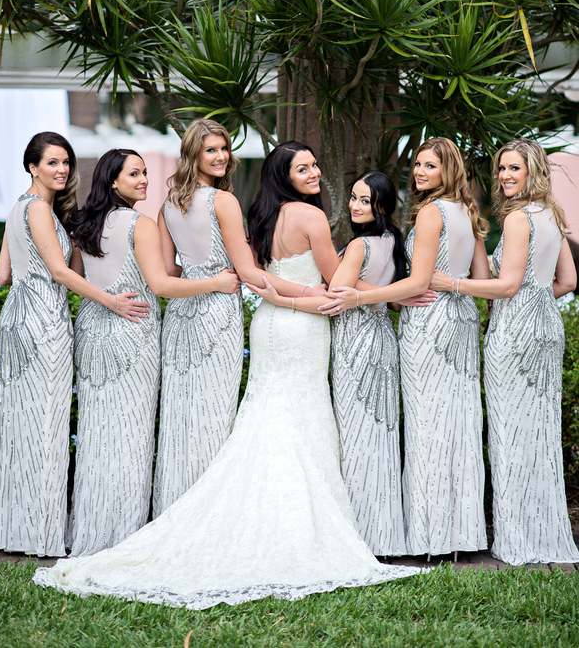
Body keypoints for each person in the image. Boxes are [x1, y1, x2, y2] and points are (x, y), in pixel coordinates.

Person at [33, 141, 421, 607]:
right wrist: (388, 291)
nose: (316, 172)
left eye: (316, 164)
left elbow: (229, 273)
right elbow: (327, 281)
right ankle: (294, 527)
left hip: (258, 324)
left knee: (260, 415)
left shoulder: (228, 211)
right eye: (305, 167)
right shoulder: (300, 216)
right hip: (299, 324)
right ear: (285, 174)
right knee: (299, 416)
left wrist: (279, 296)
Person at [0, 132, 148, 558]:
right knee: (46, 425)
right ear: (32, 166)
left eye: (66, 163)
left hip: (16, 317)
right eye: (52, 162)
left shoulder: (18, 207)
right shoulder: (39, 210)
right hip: (44, 323)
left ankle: (8, 528)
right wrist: (111, 300)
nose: (62, 170)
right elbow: (58, 272)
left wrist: (65, 246)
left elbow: (3, 275)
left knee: (18, 423)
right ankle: (38, 534)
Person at [67, 149, 240, 556]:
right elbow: (161, 286)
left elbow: (75, 277)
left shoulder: (85, 224)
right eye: (134, 174)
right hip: (134, 330)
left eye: (145, 172)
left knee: (97, 431)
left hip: (92, 330)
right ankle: (125, 537)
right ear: (112, 181)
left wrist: (107, 300)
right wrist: (215, 282)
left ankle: (92, 532)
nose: (144, 180)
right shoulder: (139, 224)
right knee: (132, 432)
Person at [323, 138, 489, 559]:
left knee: (428, 427)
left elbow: (419, 283)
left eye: (430, 166)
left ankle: (431, 538)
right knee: (459, 425)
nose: (419, 172)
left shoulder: (432, 212)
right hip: (462, 320)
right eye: (417, 164)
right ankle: (459, 536)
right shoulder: (469, 213)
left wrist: (359, 297)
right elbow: (482, 277)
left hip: (429, 324)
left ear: (448, 171)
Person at [153, 123, 327, 516]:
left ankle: (177, 507)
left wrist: (201, 276)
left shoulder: (167, 205)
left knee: (183, 412)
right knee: (215, 412)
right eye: (210, 150)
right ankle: (208, 513)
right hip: (216, 312)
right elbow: (248, 273)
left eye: (224, 149)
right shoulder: (222, 200)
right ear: (192, 155)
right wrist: (306, 291)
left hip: (181, 314)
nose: (220, 157)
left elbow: (169, 271)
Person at [249, 170, 419, 555]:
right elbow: (382, 292)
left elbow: (337, 290)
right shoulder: (393, 239)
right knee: (381, 429)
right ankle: (385, 532)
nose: (356, 206)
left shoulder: (359, 247)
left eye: (365, 201)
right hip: (382, 336)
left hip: (355, 336)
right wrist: (393, 296)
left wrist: (283, 299)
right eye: (354, 198)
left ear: (382, 205)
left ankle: (359, 529)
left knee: (356, 433)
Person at [430, 138, 579, 565]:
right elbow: (566, 282)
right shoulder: (552, 214)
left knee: (512, 435)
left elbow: (508, 286)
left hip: (514, 336)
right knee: (541, 434)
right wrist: (534, 298)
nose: (505, 176)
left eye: (515, 168)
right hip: (547, 330)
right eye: (501, 169)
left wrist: (451, 284)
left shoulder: (518, 220)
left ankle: (520, 541)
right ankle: (547, 534)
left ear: (533, 171)